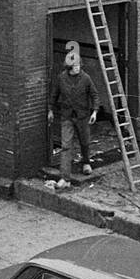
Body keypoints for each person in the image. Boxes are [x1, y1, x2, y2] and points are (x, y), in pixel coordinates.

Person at [48, 49, 99, 188]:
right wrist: (50, 109)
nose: (78, 68)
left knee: (85, 141)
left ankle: (86, 162)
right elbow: (54, 94)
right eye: (75, 66)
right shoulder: (61, 78)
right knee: (66, 146)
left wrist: (94, 111)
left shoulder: (86, 78)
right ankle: (65, 178)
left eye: (79, 65)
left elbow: (94, 95)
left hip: (83, 116)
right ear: (69, 67)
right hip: (67, 117)